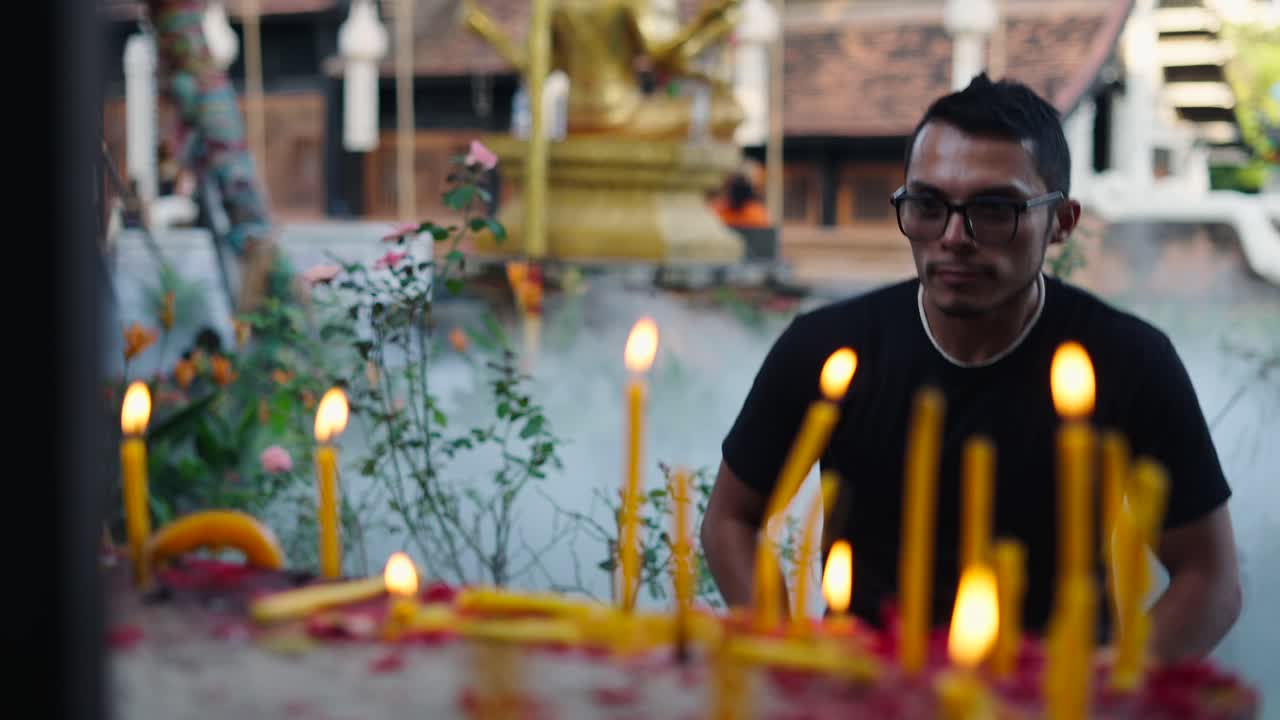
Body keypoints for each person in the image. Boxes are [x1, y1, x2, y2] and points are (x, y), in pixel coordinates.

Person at [700, 74, 1242, 663]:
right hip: (865, 685)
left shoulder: (1127, 361)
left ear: (1062, 221)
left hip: (1052, 691)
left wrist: (1107, 684)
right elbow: (731, 519)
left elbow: (1208, 578)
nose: (954, 238)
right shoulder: (830, 349)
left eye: (994, 209)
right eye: (928, 206)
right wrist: (786, 646)